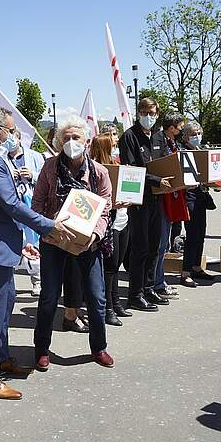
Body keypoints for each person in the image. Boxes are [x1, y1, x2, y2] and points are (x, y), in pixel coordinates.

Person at [0, 107, 73, 400]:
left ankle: (1, 357)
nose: (13, 136)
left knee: (5, 304)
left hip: (2, 242)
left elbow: (4, 207)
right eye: (10, 131)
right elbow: (10, 203)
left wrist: (22, 239)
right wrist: (48, 226)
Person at [31, 116, 114, 370]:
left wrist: (95, 235)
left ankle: (99, 347)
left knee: (96, 298)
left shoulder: (100, 172)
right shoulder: (49, 168)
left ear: (86, 141)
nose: (70, 142)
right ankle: (42, 350)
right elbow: (37, 204)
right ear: (58, 142)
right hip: (54, 243)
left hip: (88, 245)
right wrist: (49, 225)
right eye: (65, 138)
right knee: (49, 297)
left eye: (75, 138)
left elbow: (105, 209)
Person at [120, 97, 174, 312]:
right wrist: (156, 180)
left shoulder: (159, 136)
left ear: (157, 113)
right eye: (144, 112)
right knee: (140, 248)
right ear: (138, 113)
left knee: (155, 246)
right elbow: (131, 168)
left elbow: (166, 163)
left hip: (158, 198)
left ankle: (149, 287)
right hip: (139, 198)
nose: (148, 116)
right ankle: (135, 294)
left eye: (152, 112)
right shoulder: (129, 137)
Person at [89, 131, 132, 323]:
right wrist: (113, 205)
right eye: (113, 145)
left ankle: (115, 302)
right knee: (110, 266)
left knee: (117, 264)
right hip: (109, 223)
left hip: (123, 220)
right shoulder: (95, 170)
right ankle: (107, 308)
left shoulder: (117, 166)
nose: (116, 148)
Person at [7, 129, 46, 295]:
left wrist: (32, 175)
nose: (9, 140)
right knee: (14, 244)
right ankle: (9, 284)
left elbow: (46, 178)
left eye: (12, 136)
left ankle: (37, 281)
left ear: (19, 138)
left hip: (31, 205)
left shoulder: (34, 156)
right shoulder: (2, 158)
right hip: (12, 209)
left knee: (33, 244)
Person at [151, 112, 185, 302]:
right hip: (160, 198)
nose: (181, 131)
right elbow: (158, 166)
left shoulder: (172, 142)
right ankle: (156, 283)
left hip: (171, 196)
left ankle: (158, 281)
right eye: (180, 127)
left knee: (164, 242)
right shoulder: (158, 140)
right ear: (172, 127)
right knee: (160, 243)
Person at [177, 122, 214, 287]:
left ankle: (196, 267)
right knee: (192, 235)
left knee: (201, 233)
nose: (197, 136)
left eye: (199, 132)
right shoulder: (181, 151)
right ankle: (185, 273)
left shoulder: (200, 150)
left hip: (201, 195)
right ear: (185, 136)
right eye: (193, 133)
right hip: (189, 196)